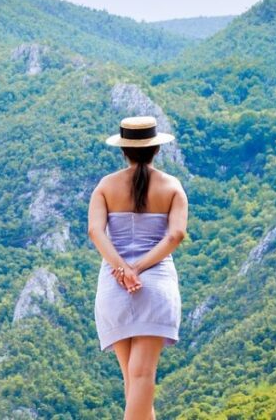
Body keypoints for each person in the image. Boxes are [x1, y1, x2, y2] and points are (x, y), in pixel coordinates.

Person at [88, 115, 188, 420]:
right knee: (143, 376)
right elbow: (176, 235)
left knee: (132, 380)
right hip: (155, 284)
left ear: (124, 151)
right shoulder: (172, 187)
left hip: (114, 286)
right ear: (156, 149)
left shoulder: (105, 186)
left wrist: (122, 269)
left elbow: (95, 232)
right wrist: (140, 267)